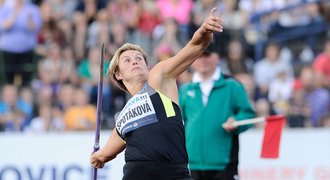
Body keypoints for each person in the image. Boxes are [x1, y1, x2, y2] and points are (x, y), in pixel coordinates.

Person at [90, 7, 223, 180]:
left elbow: (195, 46)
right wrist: (96, 158)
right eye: (127, 60)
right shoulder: (123, 118)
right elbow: (104, 155)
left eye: (139, 58)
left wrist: (204, 32)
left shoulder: (158, 78)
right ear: (118, 74)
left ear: (147, 66)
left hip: (173, 173)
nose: (135, 61)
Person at [179, 43, 256, 180]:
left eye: (207, 55)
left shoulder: (232, 86)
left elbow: (248, 113)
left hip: (224, 164)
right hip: (192, 165)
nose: (203, 60)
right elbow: (181, 122)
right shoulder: (186, 89)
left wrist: (236, 122)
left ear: (217, 58)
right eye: (199, 56)